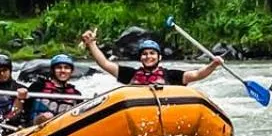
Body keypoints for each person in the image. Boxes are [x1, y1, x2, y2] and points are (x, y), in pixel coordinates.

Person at [80, 30, 222, 86]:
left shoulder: (171, 75)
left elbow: (197, 74)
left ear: (159, 57)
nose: (148, 57)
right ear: (141, 57)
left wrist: (213, 65)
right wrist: (91, 44)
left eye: (152, 53)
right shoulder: (130, 74)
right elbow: (104, 63)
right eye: (145, 54)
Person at [14, 54, 83, 125]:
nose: (63, 70)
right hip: (35, 128)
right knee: (47, 116)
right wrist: (19, 98)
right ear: (53, 70)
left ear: (71, 71)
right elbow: (18, 111)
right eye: (59, 68)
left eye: (66, 68)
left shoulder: (76, 94)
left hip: (62, 129)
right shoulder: (38, 86)